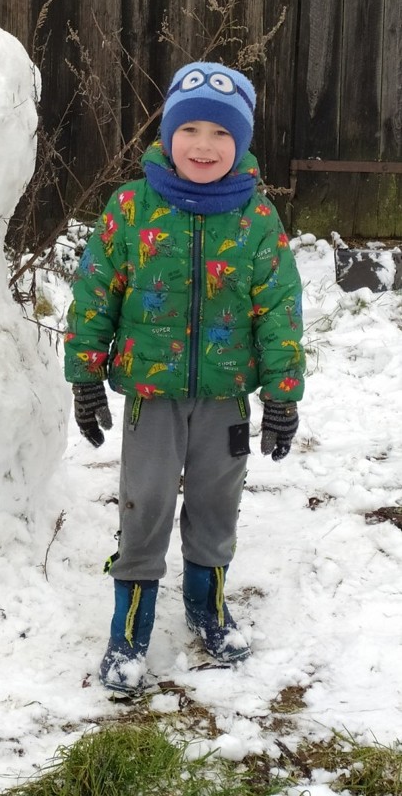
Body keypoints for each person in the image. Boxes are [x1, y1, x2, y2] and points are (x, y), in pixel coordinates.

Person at [64, 60, 304, 697]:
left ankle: (207, 607)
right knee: (145, 506)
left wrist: (282, 395)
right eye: (190, 128)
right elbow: (95, 292)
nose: (204, 145)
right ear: (168, 136)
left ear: (242, 142)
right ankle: (130, 628)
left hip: (225, 398)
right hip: (151, 398)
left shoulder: (256, 221)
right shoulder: (131, 209)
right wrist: (86, 375)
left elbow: (279, 309)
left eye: (221, 133)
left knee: (216, 504)